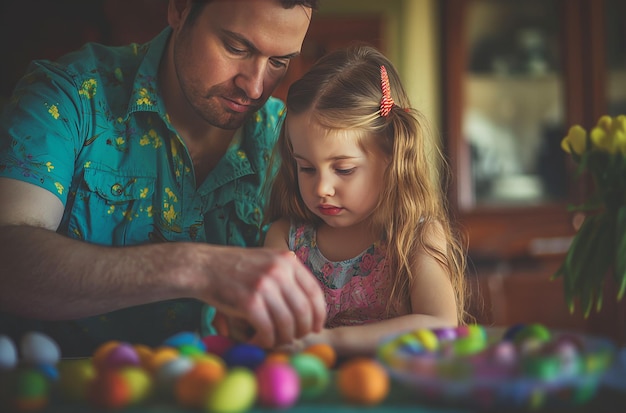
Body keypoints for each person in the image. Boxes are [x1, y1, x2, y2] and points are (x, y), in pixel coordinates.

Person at [0, 0, 327, 356]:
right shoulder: (69, 95)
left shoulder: (293, 143)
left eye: (279, 62)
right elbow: (8, 255)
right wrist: (197, 268)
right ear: (180, 10)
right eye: (236, 48)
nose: (254, 87)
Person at [261, 45, 468, 356]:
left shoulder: (416, 237)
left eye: (343, 169)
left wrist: (334, 341)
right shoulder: (285, 238)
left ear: (391, 156)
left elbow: (441, 323)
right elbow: (272, 325)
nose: (322, 188)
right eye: (306, 168)